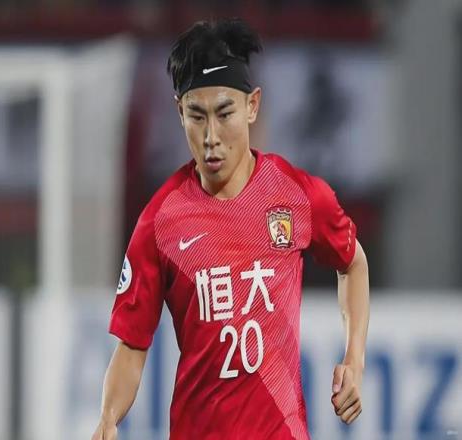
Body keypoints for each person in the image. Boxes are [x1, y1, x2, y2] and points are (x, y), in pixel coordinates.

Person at [92, 18, 369, 440]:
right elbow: (132, 344)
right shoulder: (160, 222)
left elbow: (352, 262)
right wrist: (108, 420)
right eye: (196, 116)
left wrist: (354, 359)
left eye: (224, 114)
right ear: (178, 112)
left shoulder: (296, 195)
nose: (211, 137)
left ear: (252, 106)